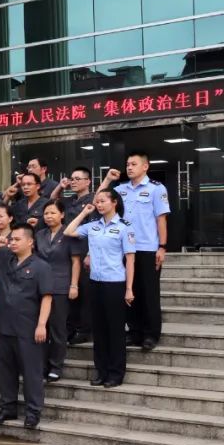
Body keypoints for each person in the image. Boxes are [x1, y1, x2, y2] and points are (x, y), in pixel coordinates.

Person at [0, 224, 52, 430]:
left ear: (30, 242)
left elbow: (46, 297)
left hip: (28, 327)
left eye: (17, 239)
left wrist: (42, 324)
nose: (13, 242)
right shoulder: (4, 260)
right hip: (4, 326)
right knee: (6, 371)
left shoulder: (41, 266)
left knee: (31, 372)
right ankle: (8, 408)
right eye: (11, 239)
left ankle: (33, 412)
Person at [65, 190, 136, 388]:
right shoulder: (93, 226)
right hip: (95, 282)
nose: (99, 204)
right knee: (99, 330)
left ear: (114, 202)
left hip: (115, 283)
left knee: (115, 329)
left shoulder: (124, 227)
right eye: (97, 202)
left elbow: (130, 260)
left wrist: (129, 288)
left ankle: (115, 373)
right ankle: (101, 371)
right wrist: (84, 212)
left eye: (103, 201)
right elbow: (68, 231)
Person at [102, 152, 169, 350]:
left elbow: (161, 219)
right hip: (124, 249)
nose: (129, 167)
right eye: (127, 164)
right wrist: (108, 180)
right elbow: (98, 199)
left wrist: (162, 247)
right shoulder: (120, 189)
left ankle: (150, 334)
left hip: (147, 248)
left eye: (134, 164)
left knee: (148, 292)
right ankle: (134, 331)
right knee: (128, 291)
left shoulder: (156, 188)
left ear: (145, 166)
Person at [35, 201, 80, 382]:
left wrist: (74, 285)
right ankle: (41, 366)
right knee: (41, 327)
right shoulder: (40, 234)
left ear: (62, 214)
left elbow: (75, 262)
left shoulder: (68, 234)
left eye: (53, 213)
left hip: (61, 286)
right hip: (40, 286)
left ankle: (56, 366)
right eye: (46, 213)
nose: (49, 216)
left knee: (57, 328)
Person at [62, 166, 96, 344]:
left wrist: (90, 253)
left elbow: (95, 228)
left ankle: (84, 330)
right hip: (68, 250)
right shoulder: (70, 201)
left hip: (85, 249)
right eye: (72, 179)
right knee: (71, 290)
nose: (73, 182)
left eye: (77, 179)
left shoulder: (93, 200)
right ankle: (71, 328)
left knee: (84, 291)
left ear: (88, 181)